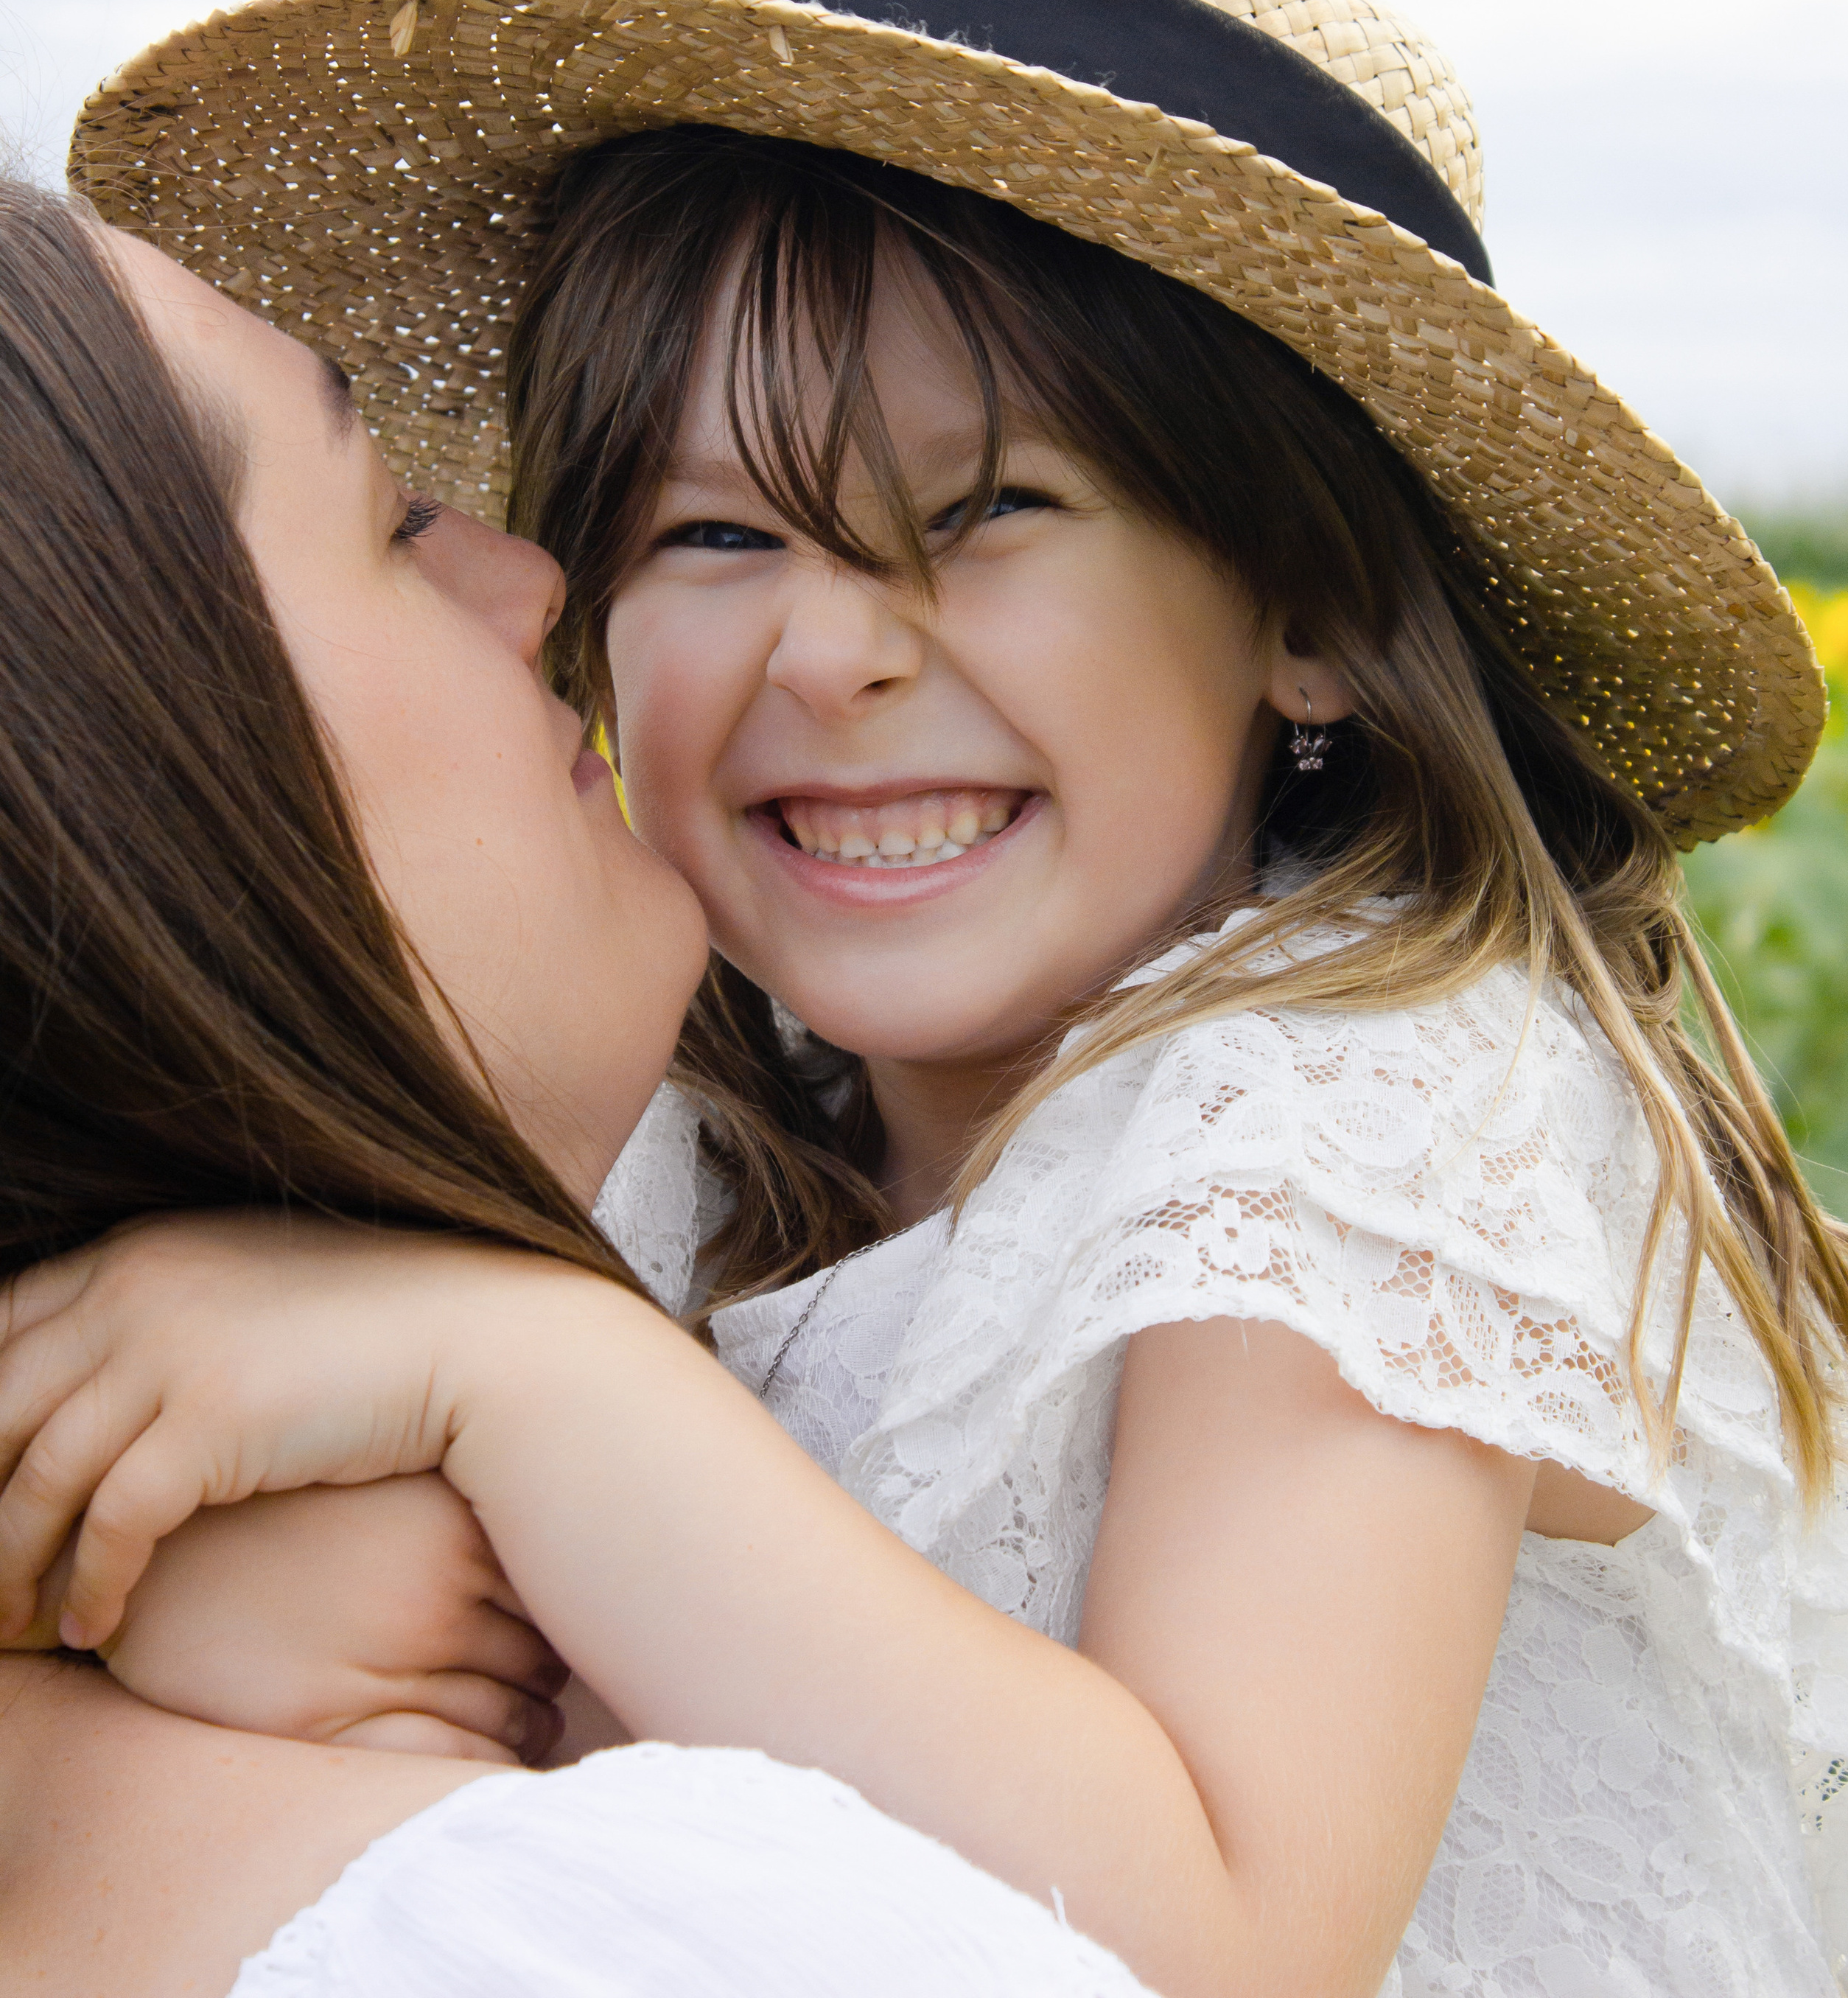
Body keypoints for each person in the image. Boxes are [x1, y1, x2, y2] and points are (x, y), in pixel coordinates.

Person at [38, 0, 1848, 1993]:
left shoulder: (1355, 1113)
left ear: (1311, 616)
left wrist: (507, 1382)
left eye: (984, 515)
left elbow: (1221, 1942)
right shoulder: (720, 1125)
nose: (829, 654)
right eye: (714, 534)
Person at [0, 178, 1145, 1998]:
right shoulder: (612, 1936)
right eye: (388, 525)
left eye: (985, 513)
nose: (535, 580)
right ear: (130, 792)